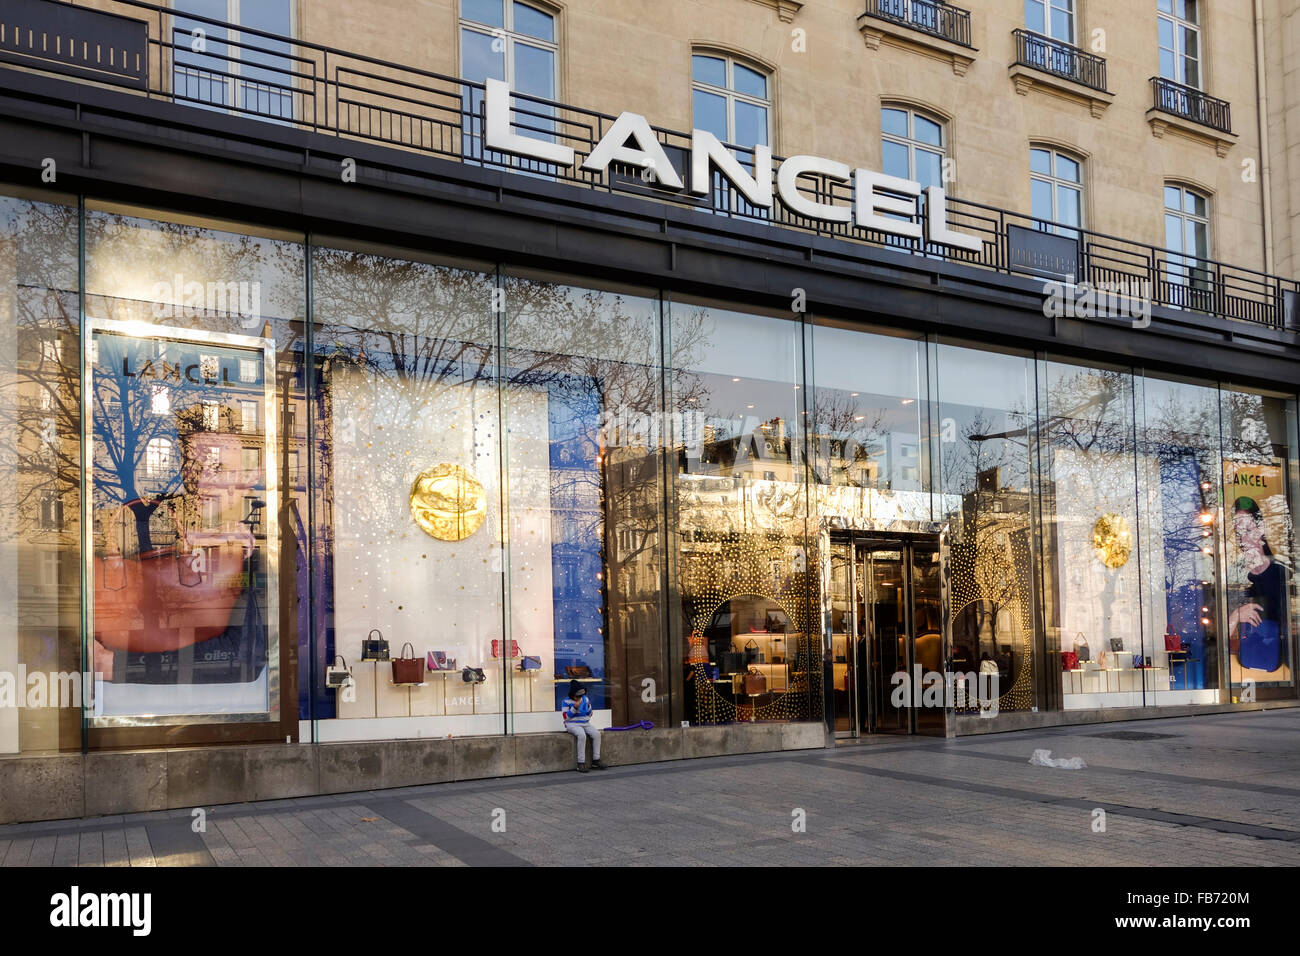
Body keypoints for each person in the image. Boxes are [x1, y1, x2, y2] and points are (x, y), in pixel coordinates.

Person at [562, 680, 606, 773]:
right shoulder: (565, 701)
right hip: (572, 724)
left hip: (585, 723)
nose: (579, 698)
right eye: (577, 696)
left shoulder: (585, 699)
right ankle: (581, 762)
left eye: (581, 696)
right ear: (572, 695)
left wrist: (589, 708)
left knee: (597, 734)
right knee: (582, 735)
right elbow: (566, 717)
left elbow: (590, 714)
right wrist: (574, 708)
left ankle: (596, 760)